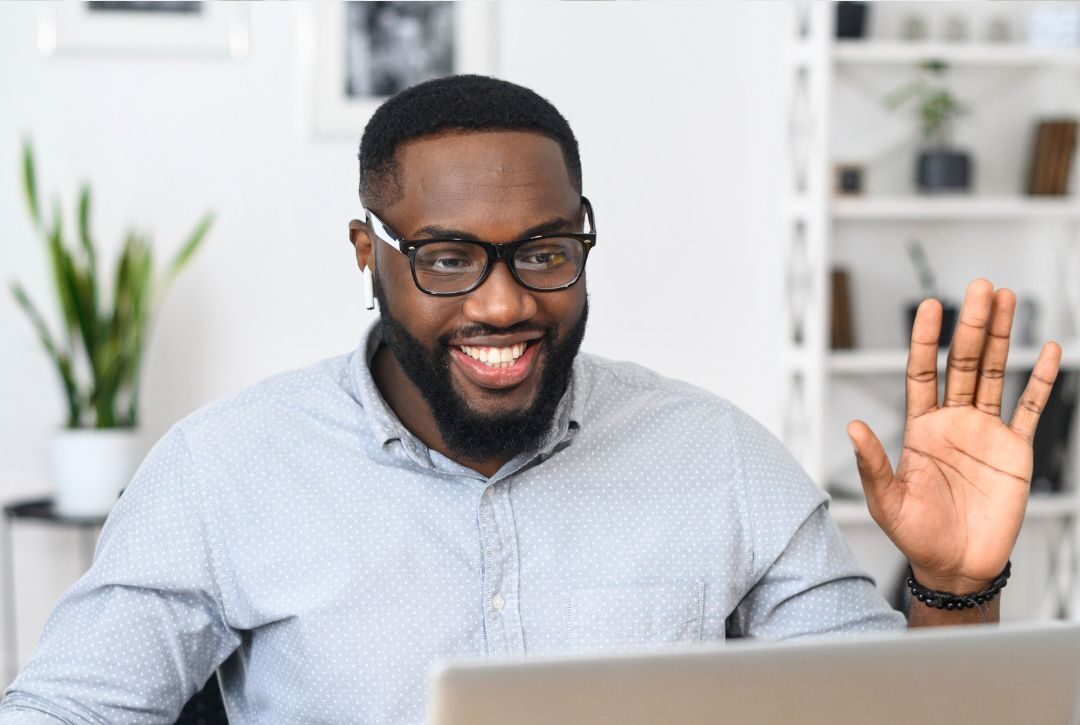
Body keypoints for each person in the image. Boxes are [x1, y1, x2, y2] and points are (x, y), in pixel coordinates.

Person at [0, 75, 1061, 724]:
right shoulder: (222, 470)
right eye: (450, 259)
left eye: (545, 251)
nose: (505, 302)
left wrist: (951, 584)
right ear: (370, 252)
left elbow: (884, 721)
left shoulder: (716, 457)